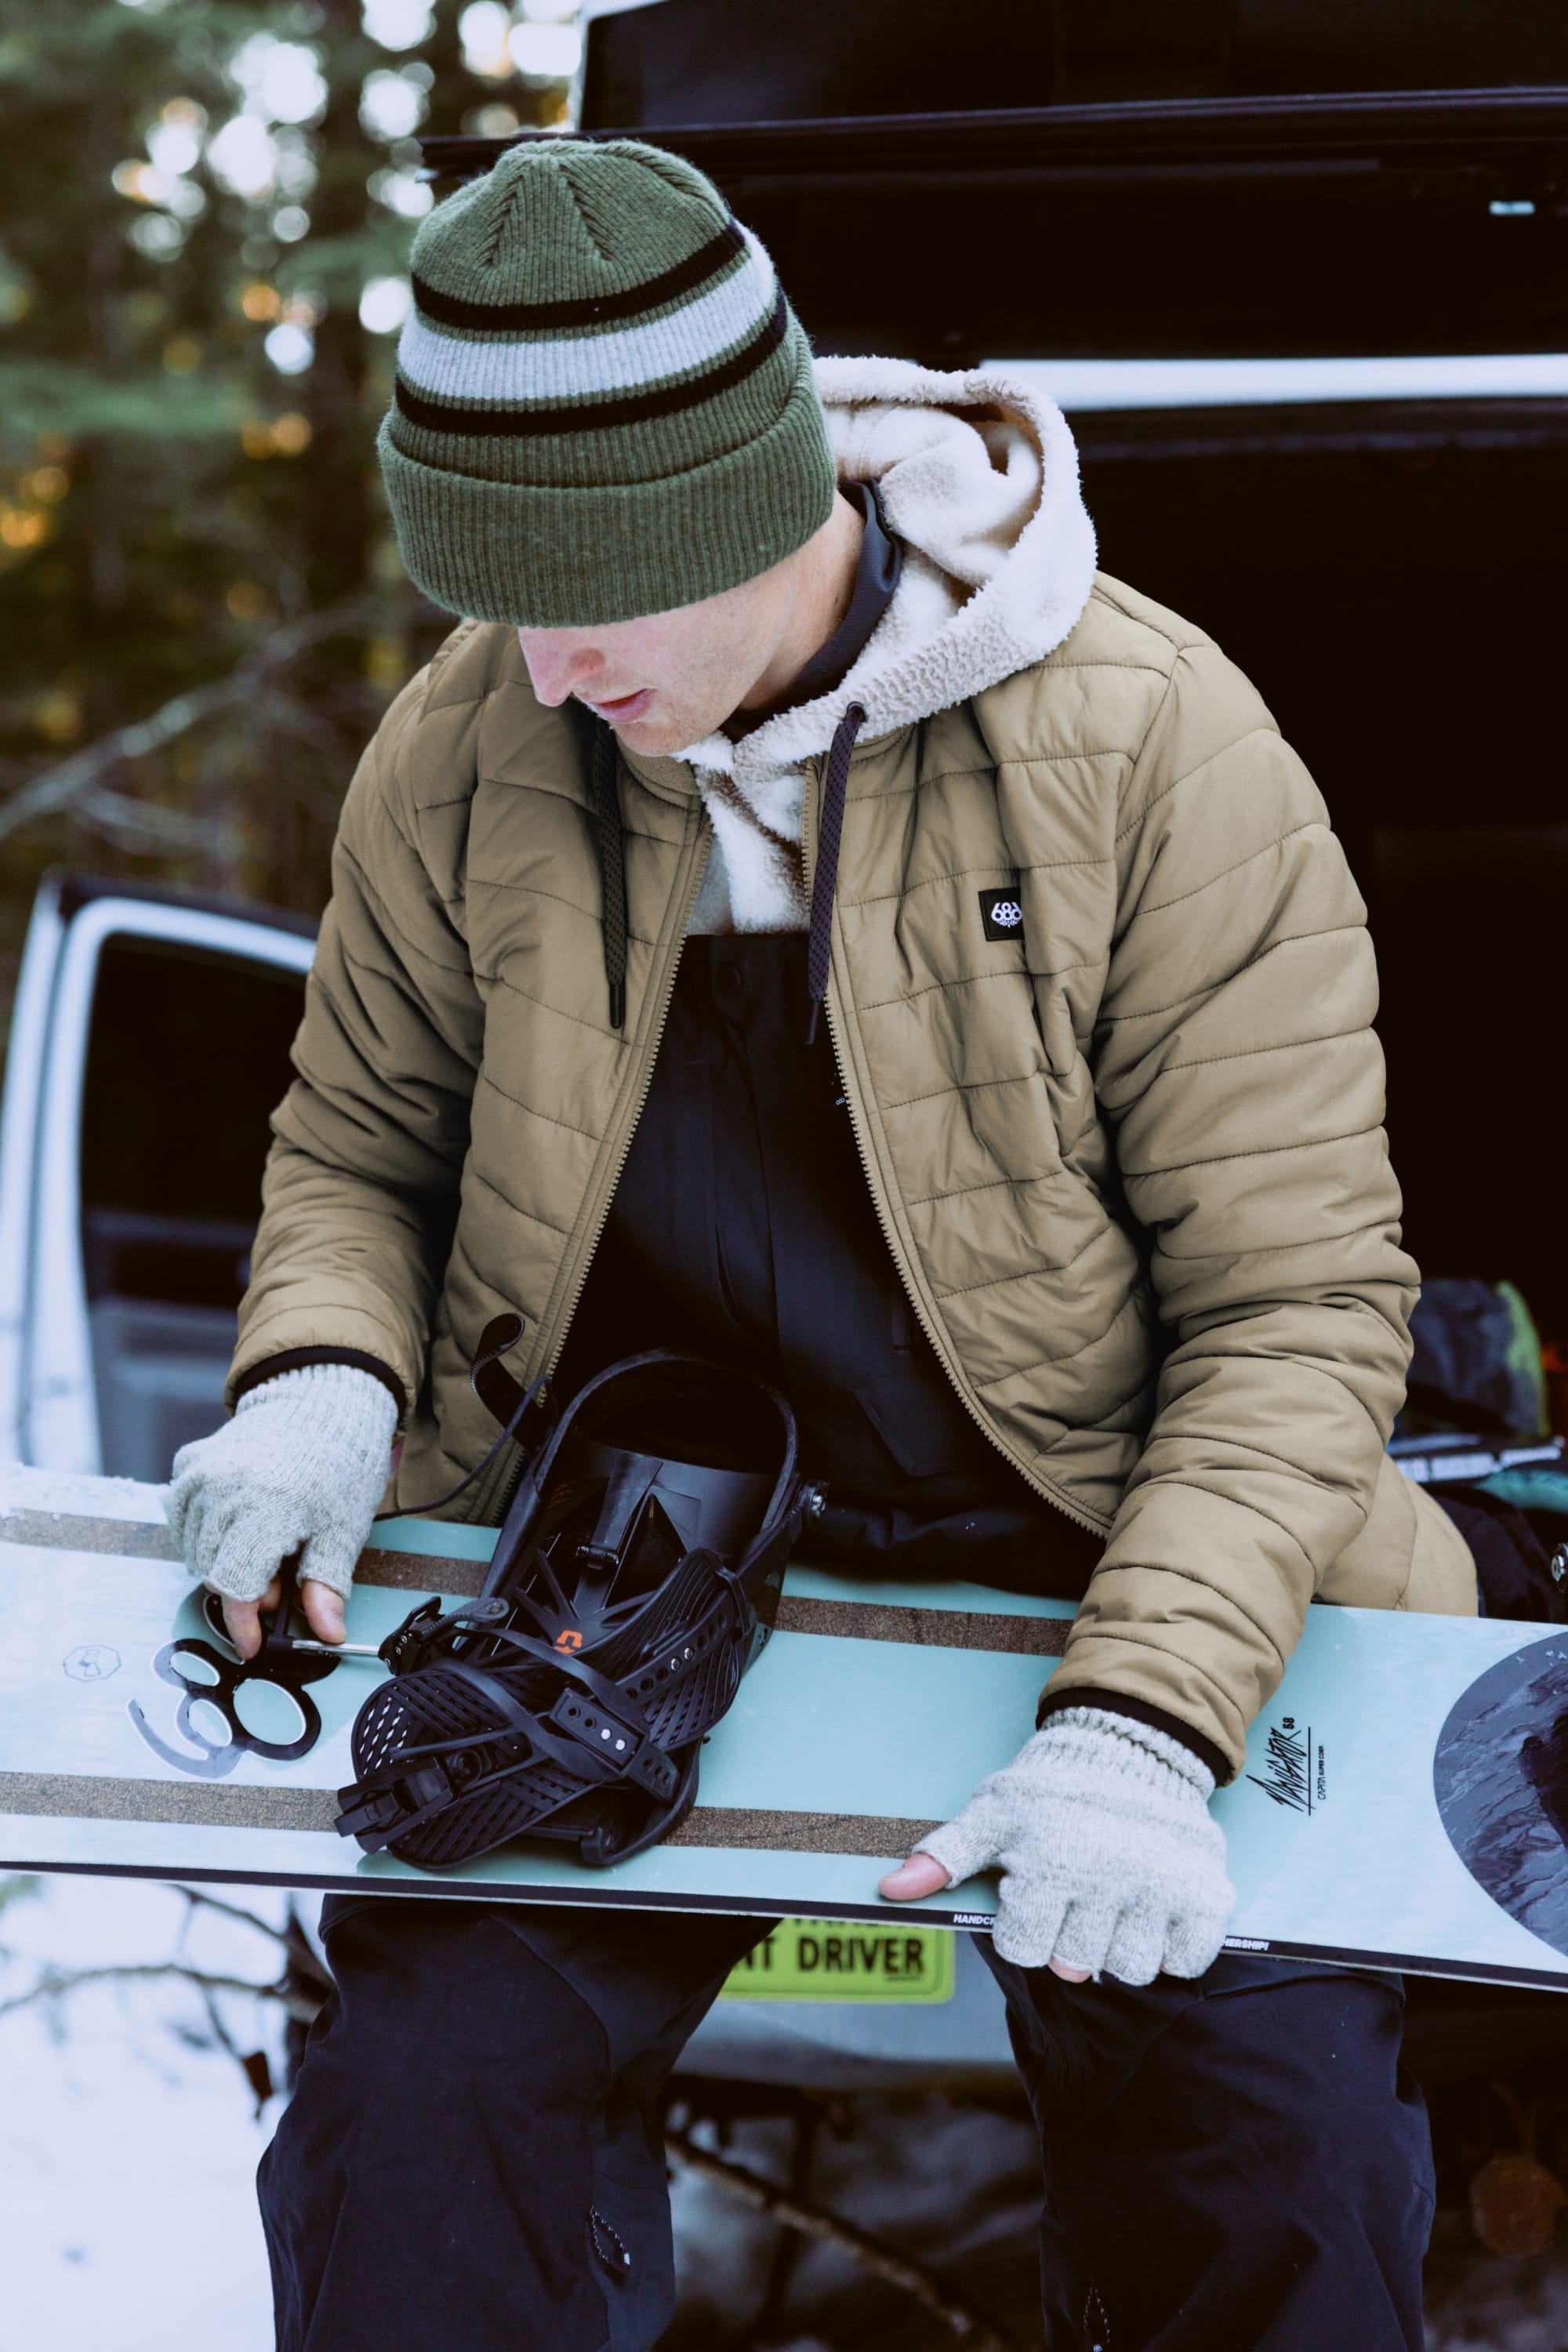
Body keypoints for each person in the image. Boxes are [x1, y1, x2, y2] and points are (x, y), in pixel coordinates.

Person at [167, 137, 1475, 2352]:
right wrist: (320, 1378)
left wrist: (1146, 1730)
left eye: (590, 600)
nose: (544, 670)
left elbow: (1295, 1303)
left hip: (1109, 1546)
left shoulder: (1153, 739)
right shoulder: (469, 746)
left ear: (753, 506)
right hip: (629, 1558)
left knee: (1274, 2158)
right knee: (423, 2113)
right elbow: (365, 1150)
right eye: (498, 603)